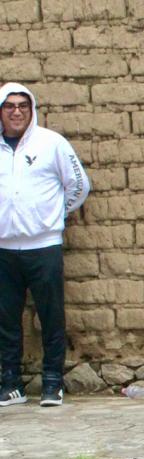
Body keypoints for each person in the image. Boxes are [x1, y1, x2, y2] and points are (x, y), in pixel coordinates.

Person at [0, 83, 89, 407]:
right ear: (1, 111)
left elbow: (78, 186)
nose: (16, 111)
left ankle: (53, 382)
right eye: (9, 105)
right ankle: (10, 384)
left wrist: (51, 216)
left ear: (32, 109)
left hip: (44, 245)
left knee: (51, 317)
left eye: (23, 105)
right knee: (6, 319)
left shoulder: (51, 144)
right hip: (3, 249)